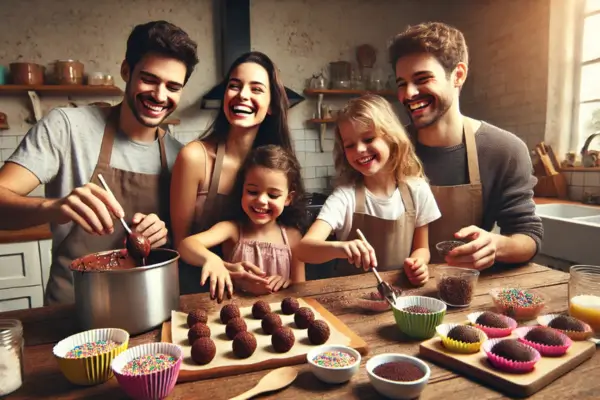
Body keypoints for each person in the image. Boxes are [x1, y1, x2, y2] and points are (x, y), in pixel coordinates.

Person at [0, 20, 198, 305]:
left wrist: (161, 235)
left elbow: (186, 243)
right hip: (73, 312)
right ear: (126, 71)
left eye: (173, 87)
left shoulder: (182, 157)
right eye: (150, 79)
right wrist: (54, 208)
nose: (160, 96)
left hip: (150, 308)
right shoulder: (68, 127)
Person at [388, 22, 543, 270]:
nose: (409, 93)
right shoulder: (389, 150)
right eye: (401, 83)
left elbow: (528, 236)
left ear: (458, 75)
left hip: (468, 293)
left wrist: (495, 245)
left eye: (422, 79)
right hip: (399, 294)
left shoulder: (504, 150)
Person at [170, 51, 294, 300]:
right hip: (196, 294)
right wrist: (217, 262)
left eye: (256, 89)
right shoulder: (195, 157)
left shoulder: (273, 164)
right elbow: (180, 245)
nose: (243, 95)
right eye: (234, 86)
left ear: (271, 106)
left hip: (255, 298)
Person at [295, 94, 441, 286]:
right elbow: (304, 250)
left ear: (391, 137)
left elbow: (422, 248)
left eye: (369, 138)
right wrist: (341, 248)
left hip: (402, 295)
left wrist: (419, 263)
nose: (360, 150)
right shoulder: (344, 197)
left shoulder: (418, 190)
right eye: (350, 145)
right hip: (351, 301)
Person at [179, 145, 306, 296]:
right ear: (242, 189)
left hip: (279, 316)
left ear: (288, 198)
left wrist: (288, 284)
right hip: (234, 313)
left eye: (273, 195)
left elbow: (301, 290)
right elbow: (185, 245)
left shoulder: (294, 237)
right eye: (252, 192)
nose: (261, 200)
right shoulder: (231, 229)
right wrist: (212, 260)